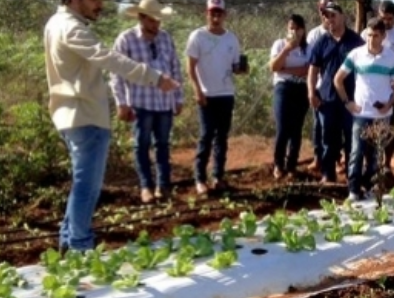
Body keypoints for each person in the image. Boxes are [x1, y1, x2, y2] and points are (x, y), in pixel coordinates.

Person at [44, 0, 179, 251]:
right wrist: (154, 77)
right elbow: (108, 58)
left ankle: (68, 239)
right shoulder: (71, 28)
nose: (101, 4)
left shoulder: (56, 23)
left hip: (73, 116)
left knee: (81, 184)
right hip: (85, 116)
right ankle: (79, 248)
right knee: (88, 188)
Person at [110, 0, 184, 203]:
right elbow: (116, 74)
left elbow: (175, 68)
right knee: (141, 145)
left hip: (164, 102)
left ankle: (163, 186)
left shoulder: (166, 38)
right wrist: (121, 102)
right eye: (152, 20)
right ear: (141, 17)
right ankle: (145, 187)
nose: (156, 24)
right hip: (140, 103)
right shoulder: (126, 39)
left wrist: (178, 97)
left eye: (158, 20)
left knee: (163, 144)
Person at [335, 17, 394, 200]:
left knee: (376, 154)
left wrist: (389, 104)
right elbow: (338, 79)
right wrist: (347, 102)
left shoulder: (391, 57)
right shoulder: (356, 54)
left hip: (382, 115)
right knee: (356, 152)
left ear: (383, 36)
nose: (372, 39)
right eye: (369, 35)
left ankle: (371, 186)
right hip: (361, 113)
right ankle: (354, 190)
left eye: (376, 35)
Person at [186, 0, 249, 195]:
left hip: (226, 94)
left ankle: (218, 176)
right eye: (212, 13)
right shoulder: (198, 36)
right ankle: (199, 178)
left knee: (222, 137)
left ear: (224, 15)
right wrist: (197, 90)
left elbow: (235, 67)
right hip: (206, 94)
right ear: (207, 14)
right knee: (206, 136)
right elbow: (190, 67)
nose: (215, 18)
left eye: (219, 14)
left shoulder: (231, 39)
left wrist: (242, 69)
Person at [307, 1, 365, 184]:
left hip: (350, 99)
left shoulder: (356, 41)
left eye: (333, 15)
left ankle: (351, 175)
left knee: (351, 138)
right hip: (327, 99)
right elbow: (313, 70)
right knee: (328, 139)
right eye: (326, 16)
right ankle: (328, 173)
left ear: (342, 17)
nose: (329, 19)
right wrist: (311, 92)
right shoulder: (321, 41)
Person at [360, 1, 394, 175]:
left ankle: (387, 164)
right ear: (378, 14)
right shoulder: (366, 33)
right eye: (384, 18)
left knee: (388, 128)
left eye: (390, 19)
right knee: (366, 128)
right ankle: (369, 164)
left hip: (390, 92)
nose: (387, 22)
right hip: (368, 90)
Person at [268, 14, 310, 179]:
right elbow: (273, 66)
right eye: (291, 28)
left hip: (301, 89)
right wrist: (287, 49)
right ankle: (278, 164)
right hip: (283, 88)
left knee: (296, 129)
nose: (293, 31)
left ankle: (291, 165)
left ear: (302, 30)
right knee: (283, 128)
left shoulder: (308, 48)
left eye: (297, 28)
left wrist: (284, 70)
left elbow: (306, 70)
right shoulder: (279, 44)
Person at [306, 0, 329, 172]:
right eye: (322, 9)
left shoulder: (341, 32)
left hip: (337, 90)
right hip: (319, 88)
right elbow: (310, 65)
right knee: (318, 125)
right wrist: (312, 91)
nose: (325, 13)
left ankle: (335, 159)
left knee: (336, 126)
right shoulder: (314, 35)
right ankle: (317, 158)